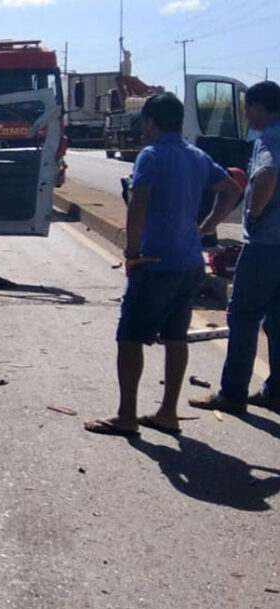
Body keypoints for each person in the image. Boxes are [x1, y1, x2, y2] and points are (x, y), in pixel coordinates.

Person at [84, 93, 242, 437]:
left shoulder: (151, 156)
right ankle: (168, 412)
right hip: (189, 262)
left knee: (130, 338)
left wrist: (132, 252)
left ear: (151, 122)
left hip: (155, 263)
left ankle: (127, 417)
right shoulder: (197, 156)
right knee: (175, 337)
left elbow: (137, 205)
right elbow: (231, 189)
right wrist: (208, 226)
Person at [191, 81, 280, 414]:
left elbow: (268, 175)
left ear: (259, 107)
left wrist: (254, 216)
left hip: (266, 245)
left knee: (242, 316)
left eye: (247, 108)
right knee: (277, 320)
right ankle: (275, 391)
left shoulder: (269, 139)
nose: (246, 115)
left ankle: (232, 393)